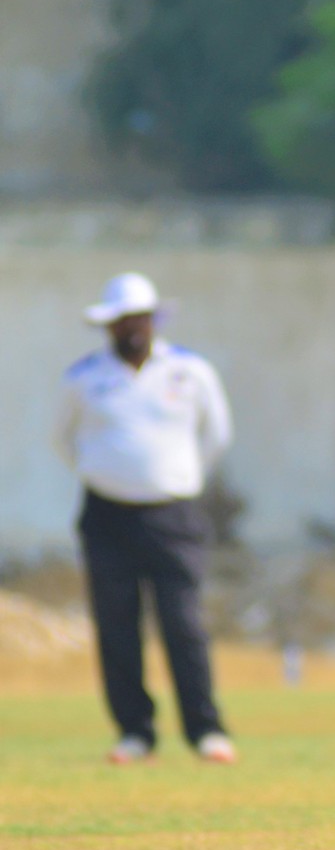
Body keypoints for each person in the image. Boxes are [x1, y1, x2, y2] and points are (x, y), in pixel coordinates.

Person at [53, 271, 236, 766]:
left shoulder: (189, 371)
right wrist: (106, 473)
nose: (132, 328)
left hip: (172, 515)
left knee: (183, 623)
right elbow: (63, 440)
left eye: (139, 318)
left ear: (153, 320)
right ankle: (135, 732)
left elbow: (216, 435)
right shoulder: (84, 377)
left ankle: (205, 730)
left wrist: (176, 477)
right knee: (117, 624)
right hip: (107, 514)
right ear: (108, 326)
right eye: (122, 320)